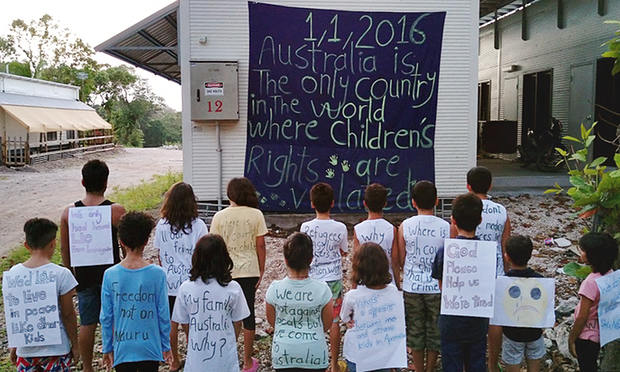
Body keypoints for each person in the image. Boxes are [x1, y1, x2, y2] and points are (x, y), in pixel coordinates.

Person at [60, 159, 126, 372]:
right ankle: (118, 361)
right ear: (106, 183)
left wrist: (70, 274)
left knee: (87, 323)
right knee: (116, 320)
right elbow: (127, 243)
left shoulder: (69, 212)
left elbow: (65, 249)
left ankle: (88, 367)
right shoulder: (115, 211)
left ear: (82, 182)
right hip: (112, 275)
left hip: (84, 277)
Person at [100, 212, 172, 372]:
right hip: (150, 347)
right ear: (146, 241)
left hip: (123, 348)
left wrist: (107, 347)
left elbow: (106, 316)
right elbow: (163, 314)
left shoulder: (110, 274)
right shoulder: (158, 273)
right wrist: (165, 345)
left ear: (121, 242)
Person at [210, 177, 268, 372]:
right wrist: (261, 269)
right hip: (250, 269)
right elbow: (260, 245)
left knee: (227, 314)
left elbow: (215, 247)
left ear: (230, 194)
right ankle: (247, 361)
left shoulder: (219, 217)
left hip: (226, 271)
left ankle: (226, 355)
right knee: (248, 313)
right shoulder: (256, 214)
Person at [9, 218, 79, 372]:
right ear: (53, 243)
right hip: (57, 349)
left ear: (26, 245)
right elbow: (68, 314)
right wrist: (75, 344)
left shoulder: (14, 274)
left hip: (26, 349)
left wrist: (14, 345)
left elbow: (15, 313)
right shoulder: (61, 274)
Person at [172, 234, 250, 371]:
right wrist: (230, 339)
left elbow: (184, 322)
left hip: (196, 359)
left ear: (196, 258)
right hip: (225, 358)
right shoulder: (233, 288)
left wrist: (195, 337)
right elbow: (238, 321)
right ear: (224, 258)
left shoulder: (185, 288)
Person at [154, 181, 208, 371]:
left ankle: (174, 361)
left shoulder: (161, 225)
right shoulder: (199, 225)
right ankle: (195, 357)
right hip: (192, 281)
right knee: (191, 323)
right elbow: (202, 254)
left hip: (169, 281)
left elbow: (160, 256)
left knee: (171, 324)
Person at [431, 193, 487, 372]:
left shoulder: (444, 251)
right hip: (478, 322)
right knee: (477, 364)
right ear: (480, 220)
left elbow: (441, 286)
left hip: (451, 321)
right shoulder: (487, 252)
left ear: (452, 220)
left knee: (452, 365)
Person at [464, 166, 511, 372]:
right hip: (496, 271)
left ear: (468, 186)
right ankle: (492, 364)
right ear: (490, 185)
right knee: (495, 321)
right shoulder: (501, 211)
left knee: (470, 318)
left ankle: (470, 363)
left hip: (469, 271)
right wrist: (507, 271)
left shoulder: (463, 208)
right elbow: (505, 245)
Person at [398, 180, 449, 372]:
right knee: (436, 328)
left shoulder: (405, 226)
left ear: (413, 202)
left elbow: (402, 259)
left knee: (415, 329)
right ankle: (430, 368)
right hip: (437, 287)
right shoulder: (446, 227)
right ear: (436, 201)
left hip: (412, 285)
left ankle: (419, 368)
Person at [266, 232, 334, 371]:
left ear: (286, 259)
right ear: (311, 259)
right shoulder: (323, 290)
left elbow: (273, 322)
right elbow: (326, 325)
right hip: (315, 354)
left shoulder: (274, 289)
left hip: (283, 354)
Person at [300, 182, 349, 372]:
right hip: (333, 279)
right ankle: (334, 364)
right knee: (334, 321)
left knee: (313, 320)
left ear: (312, 204)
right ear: (332, 203)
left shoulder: (305, 227)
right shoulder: (340, 227)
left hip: (312, 278)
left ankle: (313, 360)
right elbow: (344, 250)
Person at [342, 242, 407, 372]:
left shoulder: (353, 296)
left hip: (358, 355)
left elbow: (344, 318)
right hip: (388, 356)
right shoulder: (394, 292)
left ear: (358, 268)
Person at [569, 232, 619, 371]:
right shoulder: (610, 274)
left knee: (587, 366)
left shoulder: (590, 283)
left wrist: (572, 338)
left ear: (593, 256)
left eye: (583, 250)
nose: (580, 252)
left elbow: (582, 316)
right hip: (600, 332)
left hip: (586, 336)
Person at [500, 235, 546, 372]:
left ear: (507, 256)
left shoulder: (503, 283)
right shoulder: (540, 280)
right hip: (535, 334)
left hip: (512, 335)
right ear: (530, 255)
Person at [353, 183, 398, 287]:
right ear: (385, 204)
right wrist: (397, 285)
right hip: (387, 281)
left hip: (364, 281)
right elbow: (395, 262)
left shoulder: (358, 229)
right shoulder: (391, 229)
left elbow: (356, 261)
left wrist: (354, 287)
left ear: (365, 204)